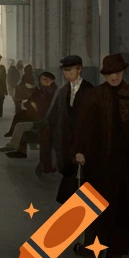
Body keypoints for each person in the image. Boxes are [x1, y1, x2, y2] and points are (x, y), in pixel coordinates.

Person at [72, 54, 129, 258]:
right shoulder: (95, 95)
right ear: (105, 75)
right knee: (96, 205)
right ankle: (94, 245)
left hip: (126, 163)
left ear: (123, 72)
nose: (114, 77)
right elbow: (82, 125)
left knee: (120, 210)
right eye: (110, 74)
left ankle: (115, 253)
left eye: (118, 73)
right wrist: (79, 150)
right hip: (98, 160)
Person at [46, 55, 95, 203]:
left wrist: (85, 149)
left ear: (79, 69)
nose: (66, 74)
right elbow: (53, 117)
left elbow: (93, 123)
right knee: (71, 184)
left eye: (69, 70)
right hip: (66, 146)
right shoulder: (62, 91)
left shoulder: (90, 91)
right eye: (64, 71)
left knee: (81, 185)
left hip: (84, 145)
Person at [0, 70, 57, 159]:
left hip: (43, 120)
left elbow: (44, 107)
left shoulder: (50, 92)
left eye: (46, 79)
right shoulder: (43, 90)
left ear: (52, 80)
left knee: (20, 125)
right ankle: (13, 145)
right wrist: (33, 105)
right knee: (20, 116)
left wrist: (35, 106)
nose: (44, 81)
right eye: (42, 79)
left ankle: (15, 147)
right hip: (40, 116)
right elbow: (31, 102)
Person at [4, 64, 36, 136]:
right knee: (18, 113)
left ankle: (12, 132)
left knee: (18, 114)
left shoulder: (27, 77)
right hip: (25, 99)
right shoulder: (30, 77)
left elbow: (27, 89)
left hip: (31, 107)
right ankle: (12, 132)